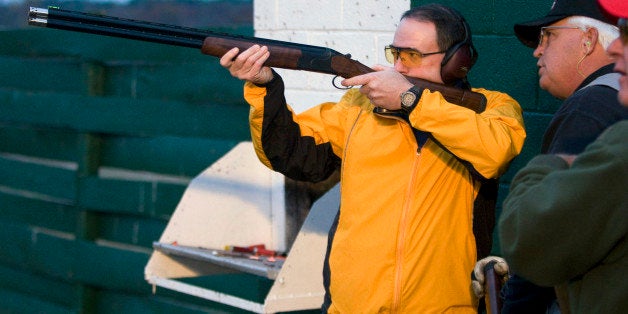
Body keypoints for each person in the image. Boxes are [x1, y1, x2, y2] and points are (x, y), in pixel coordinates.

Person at [220, 3, 526, 313]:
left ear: (456, 61)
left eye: (412, 56)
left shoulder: (490, 107)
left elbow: (497, 151)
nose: (400, 67)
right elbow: (292, 155)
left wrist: (411, 100)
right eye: (395, 54)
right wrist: (265, 86)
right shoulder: (359, 105)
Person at [471, 0, 628, 312]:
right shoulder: (611, 98)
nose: (537, 51)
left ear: (589, 40)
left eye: (548, 36)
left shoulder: (590, 107)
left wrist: (548, 166)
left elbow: (542, 242)